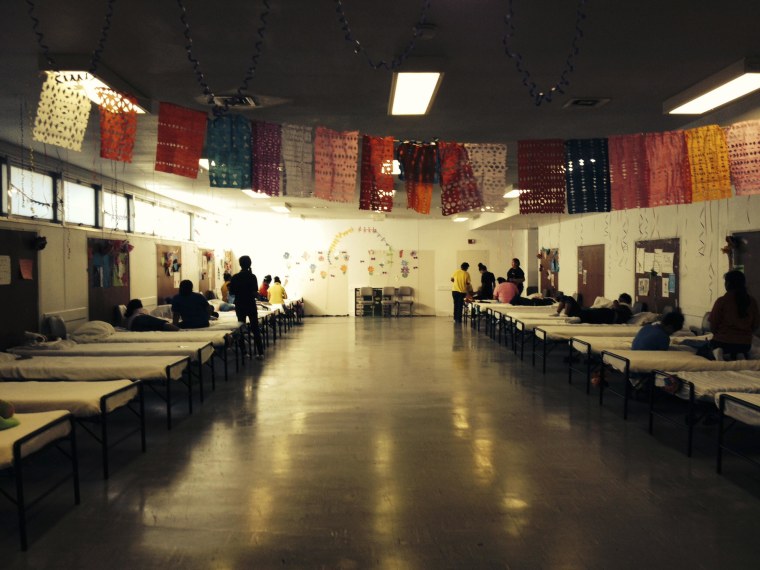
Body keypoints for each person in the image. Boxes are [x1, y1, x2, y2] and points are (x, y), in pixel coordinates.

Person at [709, 269, 760, 360]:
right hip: (745, 345)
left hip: (723, 343)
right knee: (737, 348)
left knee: (702, 351)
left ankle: (720, 352)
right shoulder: (752, 302)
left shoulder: (722, 301)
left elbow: (713, 325)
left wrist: (721, 335)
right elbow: (755, 325)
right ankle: (737, 354)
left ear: (728, 284)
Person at [228, 255, 265, 359]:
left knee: (240, 328)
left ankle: (244, 352)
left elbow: (231, 292)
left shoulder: (235, 277)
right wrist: (259, 297)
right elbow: (254, 293)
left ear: (240, 264)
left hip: (240, 304)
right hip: (250, 304)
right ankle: (260, 352)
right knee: (255, 328)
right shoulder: (252, 277)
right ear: (250, 264)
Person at [556, 293, 633, 324]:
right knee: (567, 298)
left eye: (620, 299)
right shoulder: (624, 308)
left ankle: (577, 318)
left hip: (609, 315)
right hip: (607, 314)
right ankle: (564, 314)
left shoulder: (627, 308)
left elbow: (619, 310)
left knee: (590, 313)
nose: (618, 300)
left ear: (624, 300)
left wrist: (616, 303)